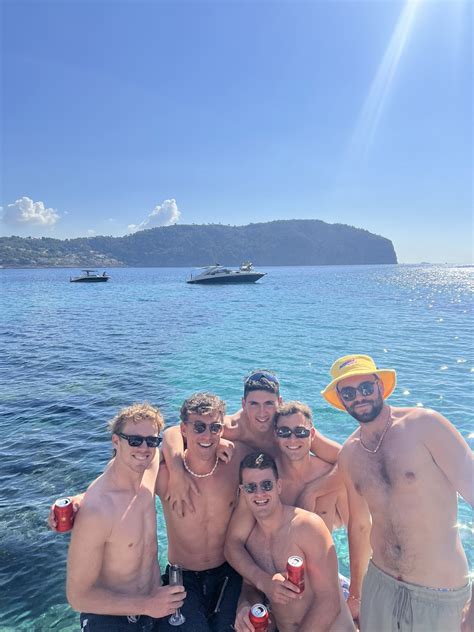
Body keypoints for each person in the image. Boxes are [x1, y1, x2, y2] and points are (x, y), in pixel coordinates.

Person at [322, 354, 474, 632]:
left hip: (439, 594)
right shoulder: (350, 454)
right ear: (341, 400)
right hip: (380, 587)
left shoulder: (425, 426)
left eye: (366, 387)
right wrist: (356, 592)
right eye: (349, 393)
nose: (359, 397)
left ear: (380, 386)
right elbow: (359, 526)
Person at [65, 403, 185, 632]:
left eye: (151, 441)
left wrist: (219, 445)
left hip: (156, 600)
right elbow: (78, 597)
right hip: (112, 614)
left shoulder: (149, 468)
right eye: (134, 440)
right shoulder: (96, 510)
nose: (144, 448)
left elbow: (177, 434)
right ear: (115, 441)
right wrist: (147, 605)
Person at [162, 370, 341, 517]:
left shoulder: (287, 430)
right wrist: (177, 474)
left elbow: (345, 458)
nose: (262, 412)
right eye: (254, 404)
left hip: (278, 493)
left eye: (269, 403)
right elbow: (173, 432)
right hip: (248, 498)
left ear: (280, 403)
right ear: (243, 403)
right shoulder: (230, 428)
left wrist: (313, 492)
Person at [155, 392, 251, 631]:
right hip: (182, 575)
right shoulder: (164, 476)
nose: (207, 435)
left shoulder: (234, 464)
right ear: (184, 430)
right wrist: (79, 501)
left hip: (227, 569)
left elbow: (283, 455)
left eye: (214, 427)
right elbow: (123, 478)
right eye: (198, 427)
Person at [233, 452, 355, 632]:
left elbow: (329, 601)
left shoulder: (307, 527)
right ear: (243, 491)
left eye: (266, 485)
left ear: (279, 486)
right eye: (251, 487)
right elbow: (250, 586)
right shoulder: (250, 539)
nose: (259, 493)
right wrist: (245, 606)